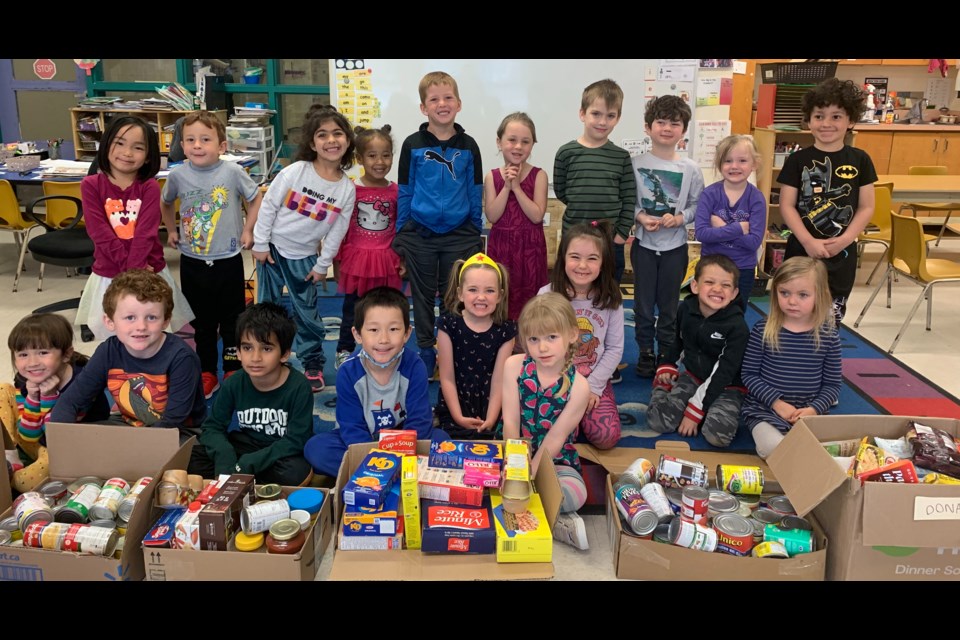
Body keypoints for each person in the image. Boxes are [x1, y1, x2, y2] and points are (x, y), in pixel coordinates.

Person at [252, 104, 357, 393]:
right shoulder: (296, 172)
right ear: (313, 143)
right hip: (272, 251)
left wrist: (323, 264)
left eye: (337, 134)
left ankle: (311, 362)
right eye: (323, 135)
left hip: (305, 258)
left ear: (347, 141)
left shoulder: (346, 189)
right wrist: (260, 243)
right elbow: (269, 205)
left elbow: (338, 231)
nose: (331, 140)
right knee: (268, 310)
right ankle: (269, 359)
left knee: (307, 314)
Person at [160, 110, 263, 400]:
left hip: (228, 259)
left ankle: (232, 367)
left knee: (232, 318)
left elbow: (255, 198)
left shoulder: (231, 172)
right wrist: (171, 230)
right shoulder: (178, 174)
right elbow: (165, 202)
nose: (197, 145)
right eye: (190, 139)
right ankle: (207, 371)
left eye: (205, 139)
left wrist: (248, 229)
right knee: (201, 322)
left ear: (221, 146)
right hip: (192, 261)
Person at [392, 71, 484, 380]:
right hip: (420, 233)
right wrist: (401, 231)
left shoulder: (469, 146)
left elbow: (474, 189)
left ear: (458, 104)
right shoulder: (412, 145)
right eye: (434, 99)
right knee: (421, 294)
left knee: (452, 298)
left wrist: (474, 228)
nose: (441, 104)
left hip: (459, 235)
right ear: (423, 107)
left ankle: (449, 350)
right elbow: (405, 188)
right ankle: (425, 351)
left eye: (448, 98)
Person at [303, 286, 449, 477]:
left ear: (407, 333)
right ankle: (397, 473)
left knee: (443, 441)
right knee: (316, 448)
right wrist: (376, 458)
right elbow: (351, 427)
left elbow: (419, 422)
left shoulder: (415, 366)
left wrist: (401, 451)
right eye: (373, 329)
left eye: (394, 329)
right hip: (362, 439)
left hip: (403, 438)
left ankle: (376, 473)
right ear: (357, 335)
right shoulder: (348, 371)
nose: (383, 339)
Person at [50, 269, 206, 445]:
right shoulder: (108, 351)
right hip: (130, 424)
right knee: (90, 440)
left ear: (166, 320)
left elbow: (173, 420)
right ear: (110, 322)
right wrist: (60, 441)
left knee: (189, 461)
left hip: (180, 431)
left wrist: (129, 449)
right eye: (130, 317)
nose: (141, 326)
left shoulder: (182, 358)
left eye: (152, 317)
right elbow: (71, 401)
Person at [76, 115, 194, 341]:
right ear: (107, 143)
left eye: (137, 147)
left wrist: (136, 273)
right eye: (119, 143)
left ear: (148, 156)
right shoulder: (90, 185)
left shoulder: (149, 187)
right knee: (114, 335)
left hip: (149, 272)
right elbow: (99, 233)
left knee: (151, 333)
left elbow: (146, 235)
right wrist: (129, 274)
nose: (127, 153)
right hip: (109, 274)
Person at [778, 78, 877, 325]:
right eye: (819, 116)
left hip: (841, 252)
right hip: (802, 249)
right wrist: (807, 240)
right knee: (794, 313)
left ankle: (823, 361)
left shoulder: (860, 159)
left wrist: (845, 239)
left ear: (850, 121)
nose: (826, 124)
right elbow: (787, 206)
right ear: (809, 120)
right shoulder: (796, 160)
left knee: (832, 317)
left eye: (836, 117)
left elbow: (867, 207)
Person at [187, 302, 313, 485]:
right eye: (247, 348)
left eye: (267, 349)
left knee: (296, 471)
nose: (255, 358)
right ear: (238, 352)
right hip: (245, 445)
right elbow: (212, 428)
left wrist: (248, 464)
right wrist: (225, 459)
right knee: (193, 458)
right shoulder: (234, 383)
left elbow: (296, 439)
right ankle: (245, 477)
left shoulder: (299, 386)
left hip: (280, 451)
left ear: (284, 354)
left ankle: (243, 476)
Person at [502, 292, 590, 550]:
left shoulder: (579, 387)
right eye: (534, 339)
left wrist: (531, 474)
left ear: (572, 335)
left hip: (554, 460)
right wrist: (515, 465)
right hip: (513, 450)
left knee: (576, 494)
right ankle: (551, 518)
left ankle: (551, 516)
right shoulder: (514, 366)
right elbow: (510, 420)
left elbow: (556, 438)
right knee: (480, 478)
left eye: (552, 337)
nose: (542, 348)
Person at [632, 94, 705, 378]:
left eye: (674, 123)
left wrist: (679, 219)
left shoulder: (691, 169)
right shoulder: (635, 163)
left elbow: (697, 205)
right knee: (643, 304)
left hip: (676, 247)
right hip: (644, 246)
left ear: (683, 130)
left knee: (670, 304)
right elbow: (630, 201)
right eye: (660, 122)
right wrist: (640, 217)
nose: (666, 128)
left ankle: (666, 351)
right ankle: (645, 351)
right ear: (648, 127)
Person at [741, 257, 842, 459]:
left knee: (830, 452)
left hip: (808, 413)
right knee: (773, 448)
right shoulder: (763, 329)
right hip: (765, 410)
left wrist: (814, 409)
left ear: (819, 295)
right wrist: (777, 404)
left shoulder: (829, 335)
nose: (792, 301)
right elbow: (749, 375)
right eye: (784, 293)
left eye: (803, 295)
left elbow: (832, 385)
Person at [646, 254, 749, 448]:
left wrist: (695, 410)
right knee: (658, 421)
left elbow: (724, 372)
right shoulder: (685, 309)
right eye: (709, 282)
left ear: (735, 293)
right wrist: (667, 365)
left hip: (728, 386)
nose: (717, 289)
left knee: (717, 437)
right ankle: (662, 390)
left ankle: (706, 408)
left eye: (725, 285)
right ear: (694, 286)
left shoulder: (737, 327)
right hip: (693, 376)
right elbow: (677, 341)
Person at [2, 314, 110, 493]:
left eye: (43, 353)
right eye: (23, 355)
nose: (32, 363)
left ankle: (12, 477)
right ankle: (9, 455)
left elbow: (54, 439)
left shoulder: (83, 384)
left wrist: (48, 396)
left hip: (64, 446)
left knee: (25, 483)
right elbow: (28, 436)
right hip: (34, 435)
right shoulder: (27, 377)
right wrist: (32, 397)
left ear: (66, 354)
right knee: (2, 390)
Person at [538, 221, 623, 450]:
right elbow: (537, 346)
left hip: (594, 378)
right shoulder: (547, 295)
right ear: (563, 258)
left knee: (606, 437)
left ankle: (585, 413)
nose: (582, 266)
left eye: (592, 258)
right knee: (555, 437)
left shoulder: (611, 298)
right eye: (575, 257)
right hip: (556, 378)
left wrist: (594, 387)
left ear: (603, 262)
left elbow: (615, 348)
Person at [553, 79, 636, 285]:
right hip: (573, 238)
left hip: (609, 242)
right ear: (582, 113)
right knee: (570, 293)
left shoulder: (621, 157)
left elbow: (629, 199)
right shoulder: (566, 153)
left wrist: (621, 235)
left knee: (607, 295)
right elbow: (562, 192)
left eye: (610, 116)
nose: (602, 122)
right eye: (596, 114)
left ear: (618, 118)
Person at [335, 124, 403, 370]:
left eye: (386, 155)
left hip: (386, 260)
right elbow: (341, 228)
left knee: (386, 309)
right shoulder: (350, 189)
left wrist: (402, 259)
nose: (380, 161)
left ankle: (387, 349)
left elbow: (401, 227)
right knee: (353, 309)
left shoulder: (396, 191)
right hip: (358, 260)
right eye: (372, 155)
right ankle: (344, 349)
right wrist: (337, 260)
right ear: (360, 158)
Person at [435, 253, 516, 440]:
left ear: (500, 296)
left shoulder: (505, 331)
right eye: (473, 290)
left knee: (495, 448)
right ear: (459, 293)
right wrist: (458, 416)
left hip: (491, 406)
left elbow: (498, 381)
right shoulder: (448, 325)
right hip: (455, 404)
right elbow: (446, 378)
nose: (481, 297)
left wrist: (491, 417)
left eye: (489, 291)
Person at [484, 112, 548, 321]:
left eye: (525, 142)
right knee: (501, 295)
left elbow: (537, 216)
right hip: (501, 245)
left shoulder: (539, 175)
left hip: (530, 246)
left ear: (532, 145)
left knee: (532, 301)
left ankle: (529, 344)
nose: (518, 147)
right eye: (512, 140)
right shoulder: (492, 176)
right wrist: (506, 188)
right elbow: (493, 215)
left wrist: (517, 188)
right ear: (499, 142)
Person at [694, 134, 766, 310]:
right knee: (706, 313)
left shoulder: (756, 198)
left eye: (742, 160)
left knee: (734, 316)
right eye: (728, 161)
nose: (734, 166)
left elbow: (753, 243)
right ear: (719, 164)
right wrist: (739, 229)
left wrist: (722, 228)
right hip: (711, 268)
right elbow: (701, 234)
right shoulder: (710, 194)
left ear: (754, 164)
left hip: (742, 270)